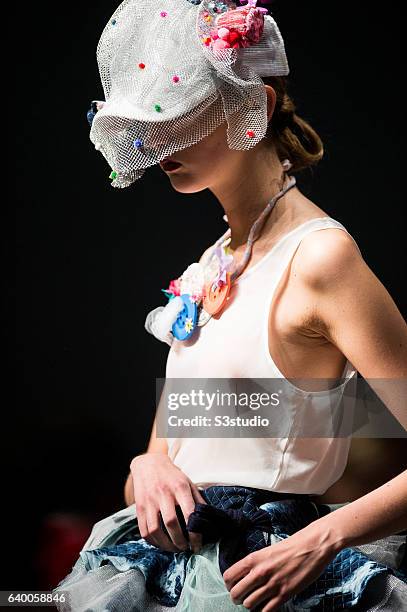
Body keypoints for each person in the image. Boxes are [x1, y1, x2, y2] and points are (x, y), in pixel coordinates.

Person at [54, 0, 407, 610]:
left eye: (183, 112)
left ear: (257, 106)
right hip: (172, 574)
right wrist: (146, 467)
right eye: (150, 118)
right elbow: (168, 454)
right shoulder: (209, 264)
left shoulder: (320, 258)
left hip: (272, 581)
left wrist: (322, 538)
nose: (160, 137)